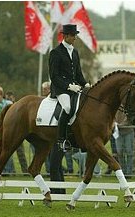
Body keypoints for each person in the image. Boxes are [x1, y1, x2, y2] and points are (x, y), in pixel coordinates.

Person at [49, 24, 90, 152]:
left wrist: (85, 85)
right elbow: (54, 76)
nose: (75, 38)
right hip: (60, 89)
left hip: (75, 88)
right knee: (67, 107)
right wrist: (67, 86)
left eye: (75, 35)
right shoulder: (55, 52)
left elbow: (78, 73)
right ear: (65, 36)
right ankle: (61, 140)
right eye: (73, 35)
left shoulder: (75, 52)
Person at [5, 91, 29, 174]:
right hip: (9, 134)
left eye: (10, 98)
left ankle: (25, 171)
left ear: (13, 98)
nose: (8, 100)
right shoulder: (5, 107)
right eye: (7, 98)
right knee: (8, 154)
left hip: (18, 134)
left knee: (21, 153)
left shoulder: (19, 107)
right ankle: (11, 171)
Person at [115, 109, 134, 177]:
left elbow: (129, 120)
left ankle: (129, 172)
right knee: (119, 153)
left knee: (129, 153)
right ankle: (122, 171)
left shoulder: (129, 108)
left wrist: (118, 125)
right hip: (118, 133)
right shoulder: (116, 108)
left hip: (128, 132)